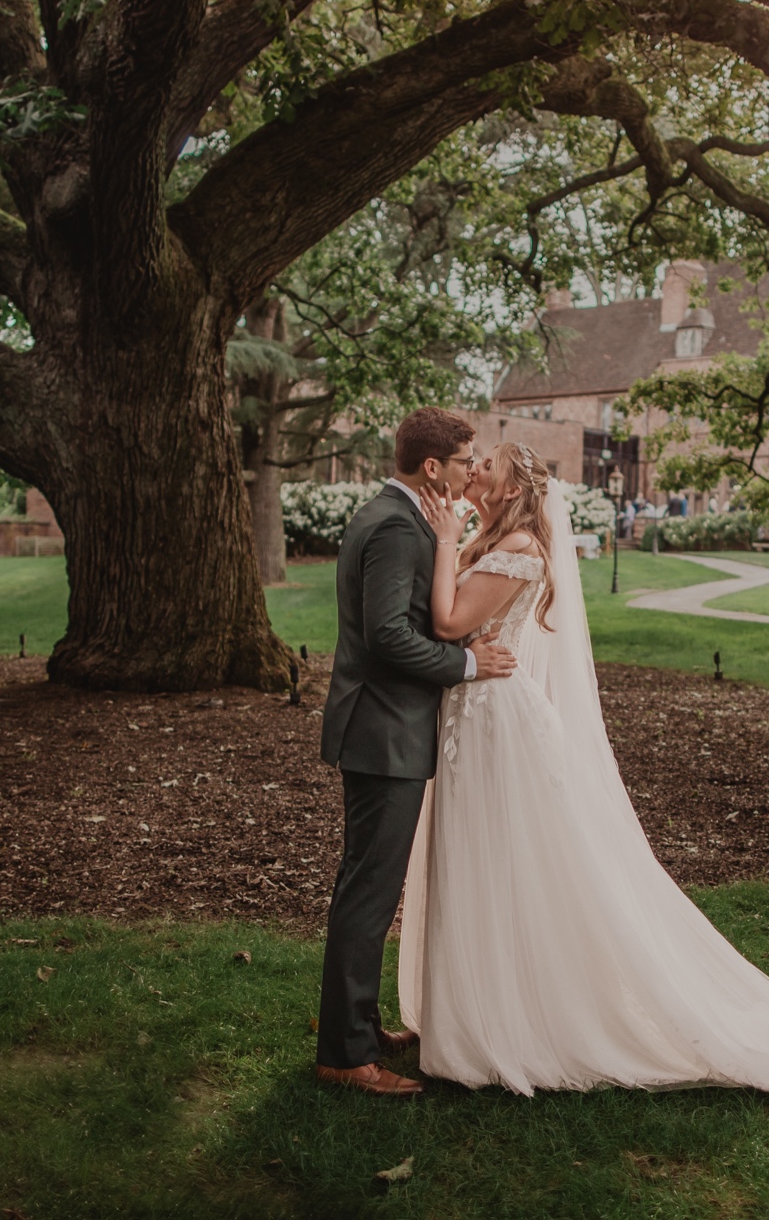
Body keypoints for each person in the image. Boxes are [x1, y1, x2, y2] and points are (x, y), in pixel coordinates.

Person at [405, 445, 769, 1097]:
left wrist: (442, 540)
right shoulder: (493, 534)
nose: (475, 470)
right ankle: (482, 1009)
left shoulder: (519, 543)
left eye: (488, 464)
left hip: (498, 724)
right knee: (487, 863)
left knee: (511, 864)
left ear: (515, 486)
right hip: (479, 714)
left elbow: (448, 621)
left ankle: (513, 1023)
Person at [314, 408, 518, 1099]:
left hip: (382, 728)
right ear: (433, 467)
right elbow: (388, 638)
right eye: (465, 460)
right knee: (368, 893)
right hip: (383, 731)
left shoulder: (388, 514)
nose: (472, 470)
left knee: (368, 886)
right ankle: (346, 1054)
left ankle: (361, 1029)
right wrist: (468, 663)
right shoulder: (400, 527)